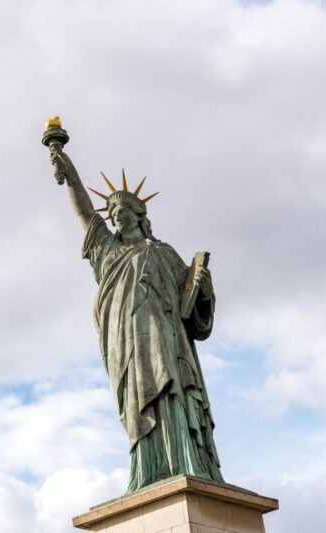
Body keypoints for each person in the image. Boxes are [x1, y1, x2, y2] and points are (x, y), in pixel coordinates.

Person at [51, 149, 223, 492]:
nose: (116, 216)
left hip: (170, 341)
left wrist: (203, 289)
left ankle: (187, 461)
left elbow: (193, 314)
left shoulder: (164, 253)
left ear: (140, 213)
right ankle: (149, 467)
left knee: (175, 393)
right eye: (112, 212)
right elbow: (85, 211)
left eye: (123, 210)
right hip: (128, 343)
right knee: (139, 402)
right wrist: (68, 170)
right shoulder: (107, 251)